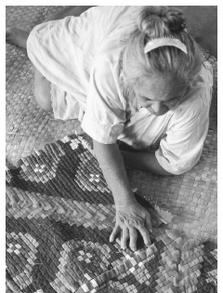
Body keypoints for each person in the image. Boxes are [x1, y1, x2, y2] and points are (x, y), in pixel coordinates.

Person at [7, 6, 213, 251]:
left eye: (170, 99)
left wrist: (113, 152)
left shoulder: (197, 87)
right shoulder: (111, 64)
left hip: (125, 43)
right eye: (147, 98)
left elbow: (175, 162)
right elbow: (104, 139)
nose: (158, 110)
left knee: (146, 145)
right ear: (127, 79)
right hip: (87, 41)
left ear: (188, 85)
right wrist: (125, 203)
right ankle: (38, 37)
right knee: (45, 99)